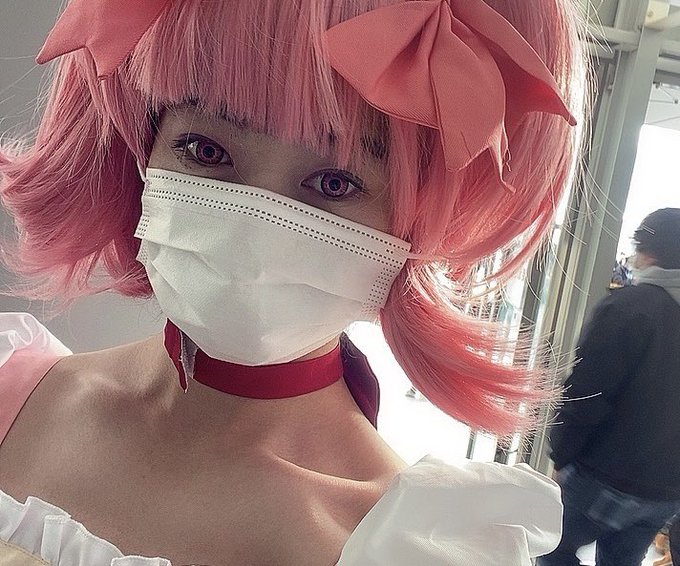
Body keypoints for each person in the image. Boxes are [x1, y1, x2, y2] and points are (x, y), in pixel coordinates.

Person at [0, 0, 584, 564]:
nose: (252, 231)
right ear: (145, 148)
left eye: (335, 182)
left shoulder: (409, 551)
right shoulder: (13, 386)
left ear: (417, 220)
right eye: (206, 150)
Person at [539, 208, 680, 566]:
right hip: (666, 491)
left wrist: (560, 456)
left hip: (605, 476)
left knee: (552, 548)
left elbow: (585, 395)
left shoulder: (629, 308)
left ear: (649, 252)